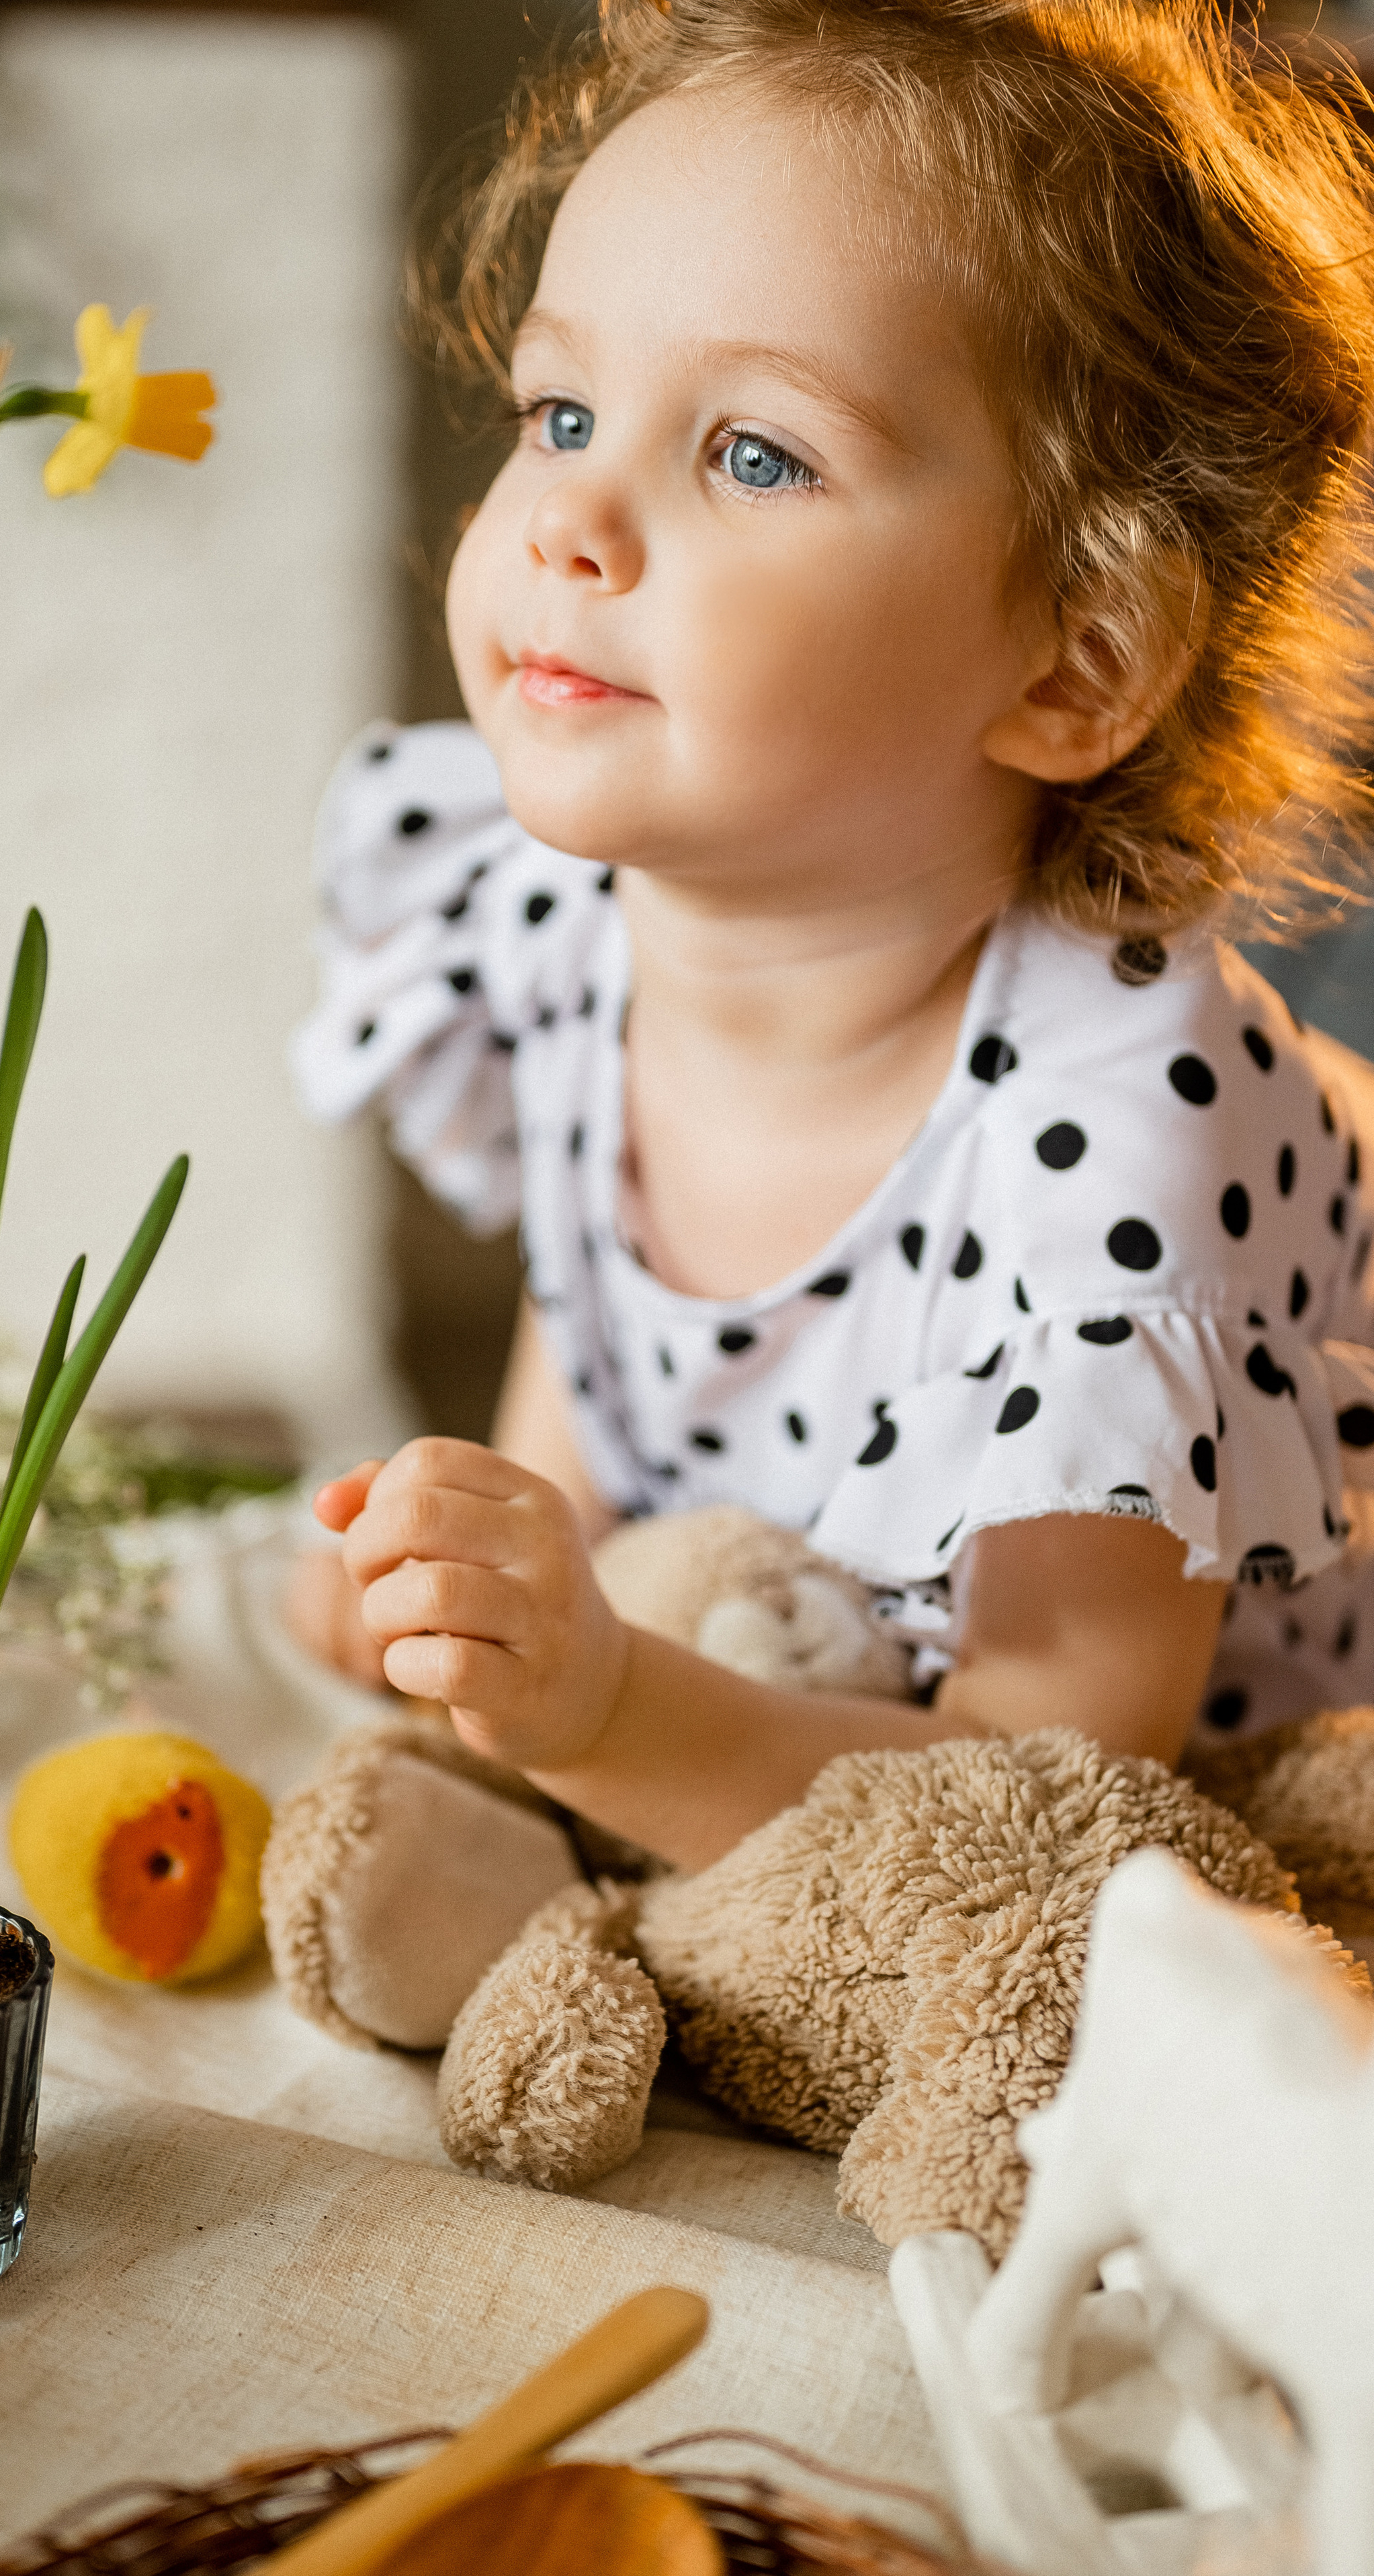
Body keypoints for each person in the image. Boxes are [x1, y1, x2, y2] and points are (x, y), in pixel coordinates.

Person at [286, 0, 1374, 1874]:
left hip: (1203, 1773)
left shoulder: (1136, 1135)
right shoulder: (560, 921)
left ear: (1078, 656)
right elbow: (588, 1455)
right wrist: (457, 1584)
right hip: (807, 1689)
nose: (569, 518)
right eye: (561, 411)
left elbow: (1033, 1806)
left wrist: (605, 1703)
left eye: (757, 456)